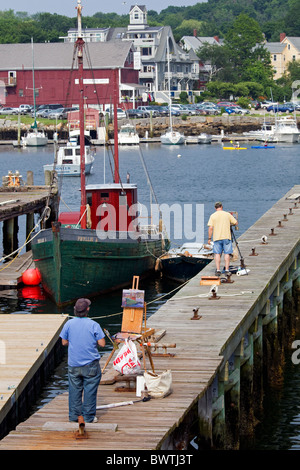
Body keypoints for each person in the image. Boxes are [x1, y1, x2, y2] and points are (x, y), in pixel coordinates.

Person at [60, 298, 106, 423]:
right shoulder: (93, 324)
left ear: (75, 310)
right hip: (90, 364)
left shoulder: (68, 324)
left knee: (74, 390)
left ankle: (74, 417)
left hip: (73, 364)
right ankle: (88, 417)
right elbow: (102, 343)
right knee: (90, 390)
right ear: (87, 310)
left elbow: (64, 342)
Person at [207, 201, 238, 278]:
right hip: (226, 237)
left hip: (217, 238)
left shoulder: (212, 216)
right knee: (227, 253)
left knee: (217, 254)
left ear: (215, 208)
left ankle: (218, 270)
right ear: (222, 207)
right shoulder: (227, 214)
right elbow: (236, 222)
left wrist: (209, 238)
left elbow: (210, 228)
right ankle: (227, 270)